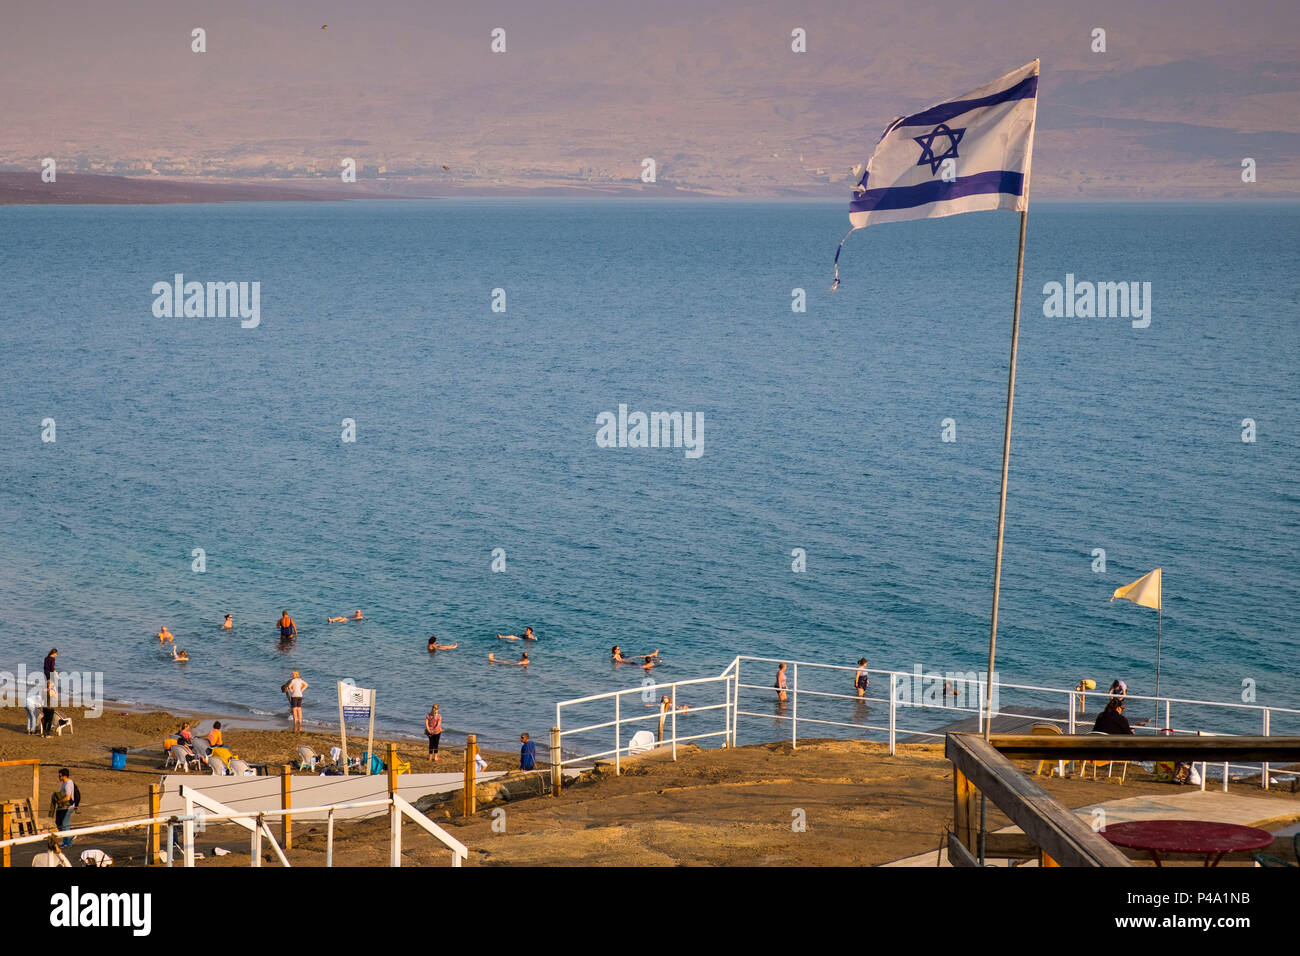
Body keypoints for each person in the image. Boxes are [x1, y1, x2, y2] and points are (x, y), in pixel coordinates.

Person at [53, 768, 77, 848]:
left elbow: (67, 797)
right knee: (63, 824)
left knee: (64, 825)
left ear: (64, 776)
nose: (58, 777)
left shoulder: (67, 784)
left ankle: (68, 842)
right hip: (66, 807)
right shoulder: (67, 782)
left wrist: (60, 801)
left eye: (60, 775)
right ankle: (69, 839)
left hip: (68, 807)